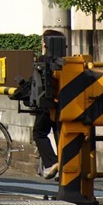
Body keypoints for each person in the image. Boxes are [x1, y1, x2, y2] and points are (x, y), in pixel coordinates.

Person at [33, 30, 62, 179]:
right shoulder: (67, 60)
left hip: (46, 104)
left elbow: (37, 83)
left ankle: (52, 162)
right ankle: (65, 165)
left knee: (39, 133)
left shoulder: (43, 59)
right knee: (61, 134)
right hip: (65, 105)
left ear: (45, 43)